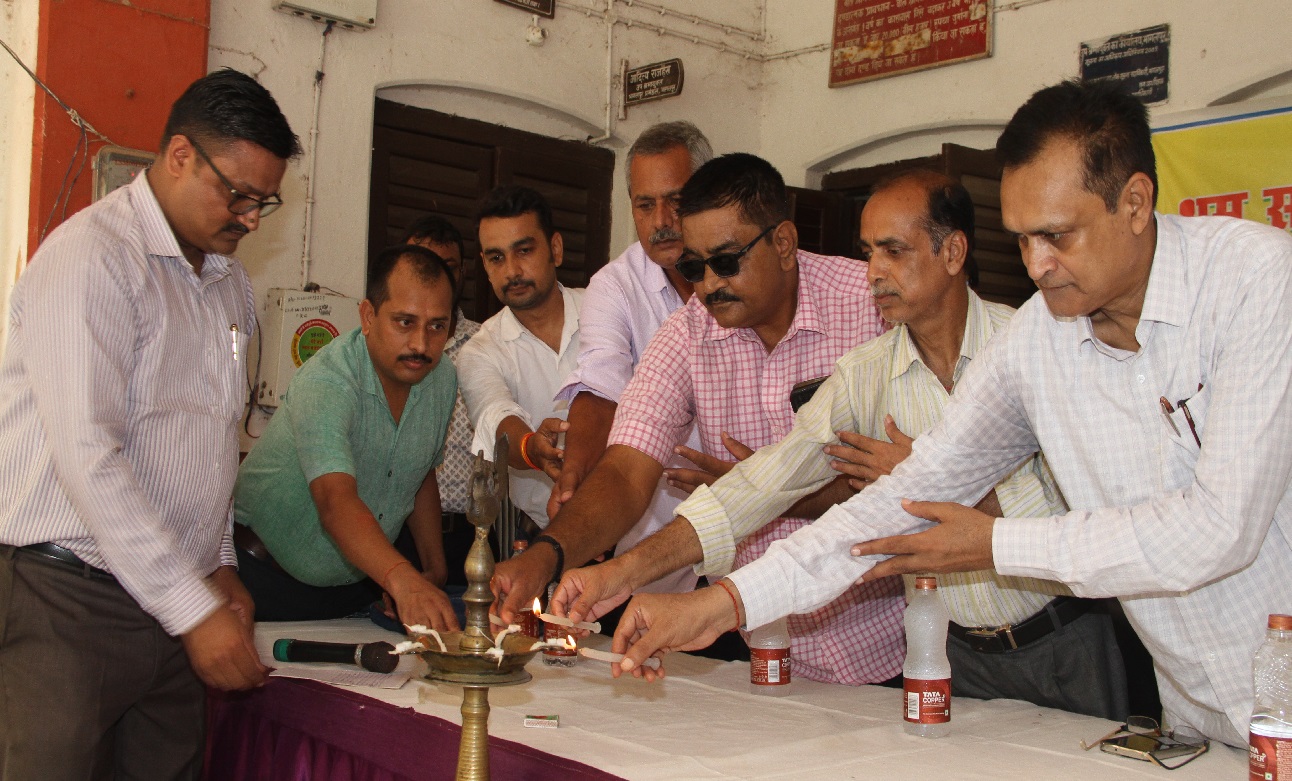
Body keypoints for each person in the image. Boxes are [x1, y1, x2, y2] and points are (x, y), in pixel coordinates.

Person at [610, 80, 1292, 748]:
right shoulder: (1038, 340)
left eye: (1056, 235)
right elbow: (893, 505)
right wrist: (723, 602)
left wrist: (994, 543)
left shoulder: (1253, 281)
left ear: (1135, 202)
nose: (1038, 265)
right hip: (1199, 715)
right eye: (1022, 239)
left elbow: (1219, 528)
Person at [558, 170, 1129, 718]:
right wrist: (622, 572)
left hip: (1064, 638)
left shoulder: (1035, 345)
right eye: (868, 252)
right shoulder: (865, 374)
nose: (874, 272)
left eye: (894, 251)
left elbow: (1094, 506)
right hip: (952, 654)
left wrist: (930, 487)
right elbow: (759, 488)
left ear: (953, 252)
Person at [495, 153, 906, 686]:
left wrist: (760, 488)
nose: (708, 285)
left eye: (726, 262)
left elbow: (911, 478)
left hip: (895, 646)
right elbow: (626, 470)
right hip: (759, 646)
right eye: (693, 268)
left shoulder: (873, 306)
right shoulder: (688, 333)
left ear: (783, 243)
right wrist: (549, 554)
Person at [0, 68, 298, 778]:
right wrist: (193, 609)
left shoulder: (228, 282)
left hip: (173, 599)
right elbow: (89, 455)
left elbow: (208, 440)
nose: (252, 219)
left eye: (265, 201)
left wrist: (218, 563)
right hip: (69, 599)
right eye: (239, 195)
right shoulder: (93, 257)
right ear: (180, 156)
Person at [234, 243, 461, 630]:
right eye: (404, 322)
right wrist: (402, 578)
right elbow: (334, 501)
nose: (421, 345)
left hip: (359, 587)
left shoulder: (441, 379)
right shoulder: (328, 380)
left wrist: (433, 568)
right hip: (265, 583)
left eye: (437, 326)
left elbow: (420, 471)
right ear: (368, 316)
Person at [548, 121, 713, 595]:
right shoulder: (615, 286)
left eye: (676, 200)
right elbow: (601, 387)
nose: (661, 220)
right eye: (645, 205)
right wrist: (575, 478)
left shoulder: (743, 276)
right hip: (656, 542)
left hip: (756, 539)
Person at [456, 185, 582, 532]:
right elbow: (495, 415)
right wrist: (531, 449)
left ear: (555, 249)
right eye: (496, 258)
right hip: (547, 534)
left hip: (640, 526)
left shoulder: (607, 312)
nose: (511, 270)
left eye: (524, 250)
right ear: (484, 265)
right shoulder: (480, 351)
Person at [403, 216, 482, 585]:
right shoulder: (384, 351)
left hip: (472, 536)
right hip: (398, 531)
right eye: (422, 265)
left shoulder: (489, 345)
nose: (434, 278)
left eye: (446, 267)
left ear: (462, 273)